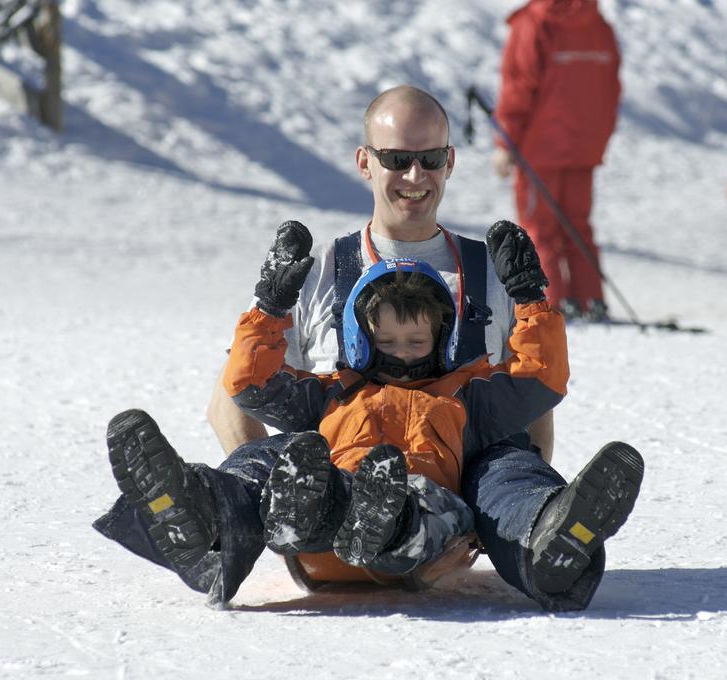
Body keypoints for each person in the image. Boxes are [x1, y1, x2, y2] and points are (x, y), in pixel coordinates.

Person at [94, 85, 640, 612]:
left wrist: (496, 526)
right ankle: (204, 518)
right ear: (365, 162)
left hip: (446, 499)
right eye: (397, 157)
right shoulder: (317, 272)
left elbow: (528, 412)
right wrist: (280, 522)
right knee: (267, 463)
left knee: (507, 472)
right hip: (324, 490)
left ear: (449, 161)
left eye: (428, 158)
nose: (414, 175)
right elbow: (235, 397)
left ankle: (543, 543)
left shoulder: (491, 272)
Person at [218, 218, 573, 580]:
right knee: (281, 458)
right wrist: (270, 307)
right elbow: (251, 384)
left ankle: (392, 522)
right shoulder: (336, 393)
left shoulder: (462, 395)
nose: (402, 355)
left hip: (425, 509)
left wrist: (530, 299)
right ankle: (212, 508)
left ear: (441, 340)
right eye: (386, 343)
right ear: (362, 342)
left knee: (429, 503)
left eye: (416, 342)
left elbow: (540, 378)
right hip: (340, 505)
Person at [492, 0, 621, 321]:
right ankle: (590, 300)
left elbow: (519, 85)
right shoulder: (598, 25)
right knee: (578, 225)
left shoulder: (534, 23)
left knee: (540, 228)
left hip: (539, 148)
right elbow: (611, 87)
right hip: (585, 146)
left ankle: (549, 304)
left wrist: (505, 141)